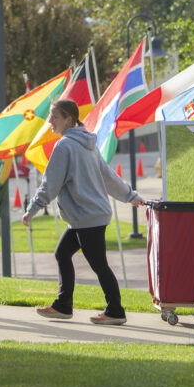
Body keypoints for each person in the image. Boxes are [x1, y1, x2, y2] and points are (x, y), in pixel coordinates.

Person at [21, 99, 144, 325]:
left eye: (55, 117)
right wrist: (131, 196)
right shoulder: (88, 144)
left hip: (87, 216)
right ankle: (63, 306)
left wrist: (32, 209)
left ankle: (115, 311)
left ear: (68, 119)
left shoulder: (65, 146)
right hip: (87, 216)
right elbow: (108, 176)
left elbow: (51, 184)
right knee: (63, 254)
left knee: (99, 265)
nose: (50, 121)